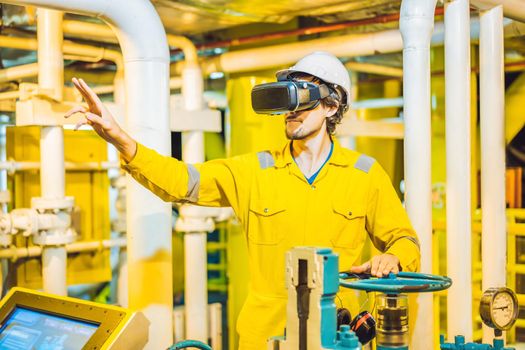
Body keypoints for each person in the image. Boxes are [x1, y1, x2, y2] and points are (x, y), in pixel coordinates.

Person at [65, 51, 420, 350]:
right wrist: (121, 139)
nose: (290, 109)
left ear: (331, 105)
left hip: (333, 338)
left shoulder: (364, 173)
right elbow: (181, 181)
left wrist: (393, 256)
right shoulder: (254, 170)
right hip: (263, 338)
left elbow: (404, 238)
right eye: (286, 99)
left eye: (302, 97)